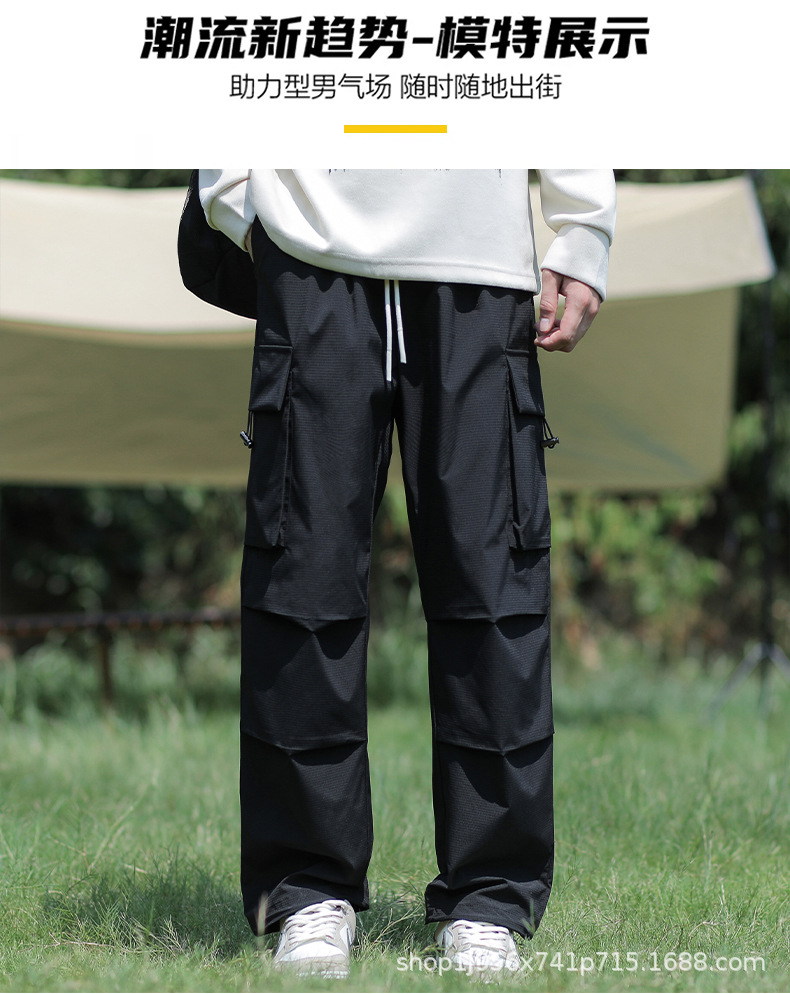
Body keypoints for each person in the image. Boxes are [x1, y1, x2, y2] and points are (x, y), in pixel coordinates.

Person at [199, 169, 616, 978]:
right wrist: (238, 195)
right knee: (300, 582)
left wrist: (582, 229)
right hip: (309, 244)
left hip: (480, 259)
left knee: (493, 588)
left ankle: (488, 901)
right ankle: (306, 891)